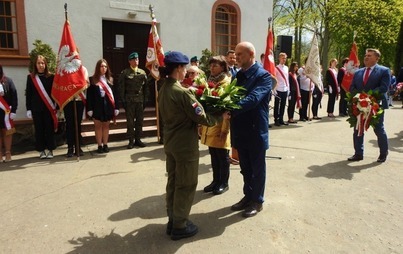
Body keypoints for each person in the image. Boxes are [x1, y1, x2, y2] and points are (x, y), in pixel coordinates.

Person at [158, 51, 223, 240]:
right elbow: (201, 116)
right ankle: (180, 225)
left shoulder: (164, 88)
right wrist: (220, 116)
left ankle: (173, 219)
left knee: (173, 181)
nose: (186, 70)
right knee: (186, 184)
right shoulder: (181, 92)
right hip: (184, 145)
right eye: (184, 67)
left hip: (171, 142)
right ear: (178, 68)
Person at [230, 41, 272, 218]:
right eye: (236, 54)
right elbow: (230, 95)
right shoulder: (238, 75)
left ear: (251, 55)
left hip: (255, 130)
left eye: (240, 54)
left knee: (257, 168)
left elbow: (254, 98)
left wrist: (231, 109)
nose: (236, 57)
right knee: (245, 167)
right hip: (240, 128)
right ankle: (248, 196)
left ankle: (257, 200)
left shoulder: (263, 76)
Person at [348, 48, 390, 163]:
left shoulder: (384, 71)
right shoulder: (358, 72)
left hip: (376, 106)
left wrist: (368, 98)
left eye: (370, 55)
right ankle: (358, 153)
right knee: (358, 129)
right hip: (359, 106)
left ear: (377, 58)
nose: (366, 57)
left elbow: (383, 88)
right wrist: (358, 99)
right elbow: (352, 88)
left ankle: (383, 153)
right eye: (366, 55)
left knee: (378, 129)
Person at [200, 55, 231, 195]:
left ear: (223, 67)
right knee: (213, 154)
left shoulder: (226, 83)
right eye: (210, 65)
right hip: (210, 124)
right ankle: (215, 181)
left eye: (215, 66)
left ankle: (224, 183)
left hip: (221, 124)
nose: (211, 68)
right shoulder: (209, 81)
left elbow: (228, 108)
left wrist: (225, 129)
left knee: (222, 156)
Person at [26, 55, 57, 159]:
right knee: (39, 130)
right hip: (36, 109)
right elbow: (29, 94)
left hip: (48, 108)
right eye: (38, 63)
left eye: (42, 63)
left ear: (45, 64)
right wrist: (28, 108)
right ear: (35, 65)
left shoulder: (51, 77)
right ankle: (42, 150)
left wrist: (55, 106)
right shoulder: (31, 78)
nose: (40, 65)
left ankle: (50, 150)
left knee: (49, 129)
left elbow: (54, 93)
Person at [87, 59, 119, 154]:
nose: (103, 68)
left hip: (108, 105)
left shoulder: (110, 79)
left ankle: (105, 144)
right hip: (97, 105)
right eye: (101, 66)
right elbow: (89, 95)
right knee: (97, 126)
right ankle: (99, 145)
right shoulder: (92, 79)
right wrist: (89, 108)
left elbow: (115, 94)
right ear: (98, 67)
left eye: (105, 66)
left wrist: (116, 107)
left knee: (106, 126)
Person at [118, 52, 148, 149]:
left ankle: (138, 139)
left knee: (139, 121)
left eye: (137, 59)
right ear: (129, 61)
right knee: (130, 122)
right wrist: (123, 101)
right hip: (129, 101)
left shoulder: (142, 73)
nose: (136, 61)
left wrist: (146, 99)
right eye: (134, 59)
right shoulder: (125, 73)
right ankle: (131, 140)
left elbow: (146, 88)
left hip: (140, 100)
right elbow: (121, 88)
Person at [64, 66, 89, 157]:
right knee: (69, 124)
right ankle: (70, 147)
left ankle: (78, 146)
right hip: (68, 101)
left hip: (79, 100)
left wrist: (75, 85)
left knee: (77, 124)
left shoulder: (83, 69)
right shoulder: (64, 69)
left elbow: (86, 83)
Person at [0, 65, 18, 162]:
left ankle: (8, 152)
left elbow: (14, 95)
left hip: (6, 113)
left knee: (8, 132)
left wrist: (14, 110)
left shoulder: (8, 81)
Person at [225, 49, 239, 165]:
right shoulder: (224, 70)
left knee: (233, 130)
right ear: (226, 58)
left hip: (234, 100)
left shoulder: (236, 70)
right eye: (231, 57)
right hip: (226, 101)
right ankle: (227, 153)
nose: (233, 59)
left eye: (234, 58)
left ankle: (233, 153)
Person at [274, 52, 289, 126]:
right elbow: (274, 79)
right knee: (277, 105)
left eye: (285, 58)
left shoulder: (286, 68)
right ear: (279, 58)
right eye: (283, 58)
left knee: (283, 105)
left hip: (285, 88)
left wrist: (288, 88)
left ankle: (281, 119)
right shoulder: (276, 68)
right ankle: (276, 119)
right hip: (278, 89)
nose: (284, 60)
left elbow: (287, 79)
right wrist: (274, 90)